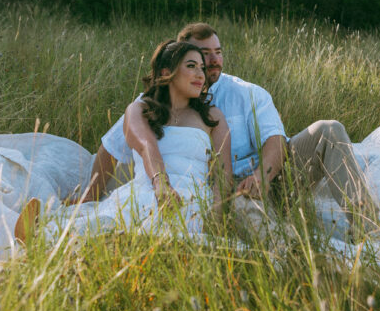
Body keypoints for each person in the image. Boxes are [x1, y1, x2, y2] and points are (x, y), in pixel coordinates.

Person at [86, 22, 377, 235]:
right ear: (177, 60)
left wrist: (261, 178)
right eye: (201, 55)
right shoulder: (150, 103)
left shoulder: (246, 93)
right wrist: (88, 198)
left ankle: (372, 230)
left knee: (329, 129)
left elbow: (276, 141)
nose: (210, 62)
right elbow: (114, 148)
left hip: (272, 176)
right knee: (250, 223)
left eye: (217, 52)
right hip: (220, 191)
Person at [15, 39, 232, 244]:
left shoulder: (213, 117)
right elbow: (146, 144)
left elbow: (224, 174)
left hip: (193, 201)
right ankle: (42, 232)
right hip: (149, 189)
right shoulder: (140, 109)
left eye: (202, 68)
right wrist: (161, 184)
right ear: (167, 72)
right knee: (111, 228)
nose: (200, 74)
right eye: (192, 66)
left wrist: (215, 216)